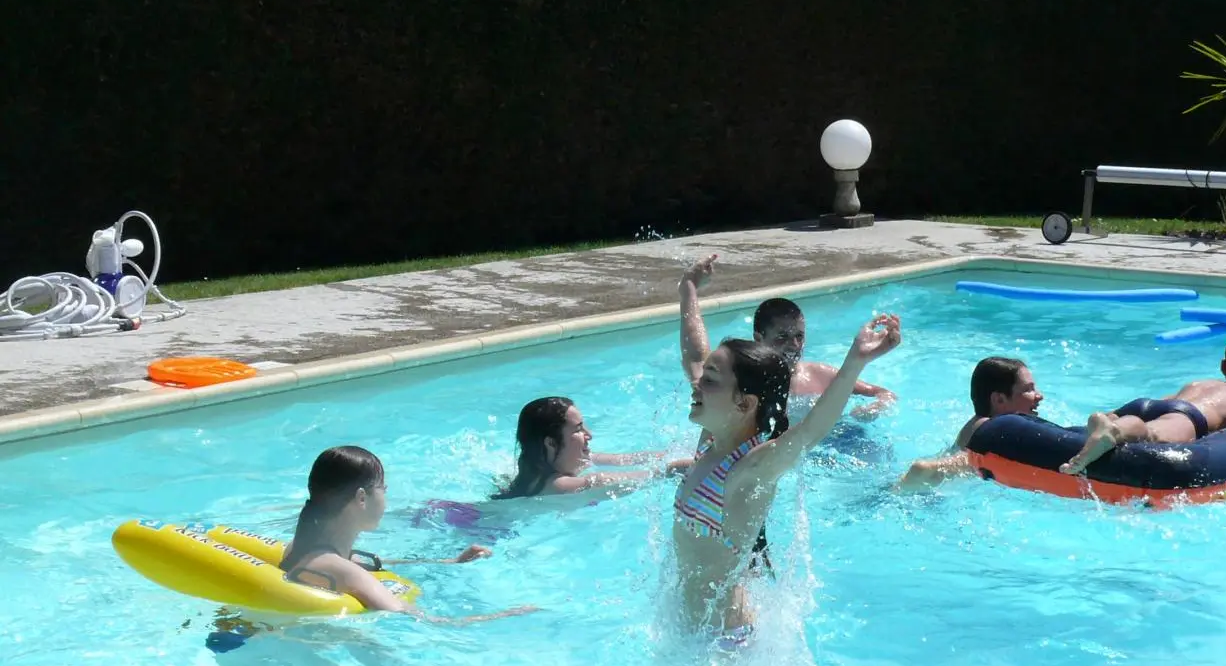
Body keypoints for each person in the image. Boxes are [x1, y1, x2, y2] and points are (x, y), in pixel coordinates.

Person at [676, 256, 903, 645]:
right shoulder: (713, 442)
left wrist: (855, 361)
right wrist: (688, 292)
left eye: (710, 381)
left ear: (744, 403)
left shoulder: (750, 465)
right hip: (694, 630)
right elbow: (695, 354)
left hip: (727, 642)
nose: (697, 386)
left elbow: (812, 429)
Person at [280, 446, 536, 623]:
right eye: (383, 489)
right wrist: (507, 614)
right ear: (361, 497)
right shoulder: (345, 571)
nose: (385, 499)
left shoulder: (302, 547)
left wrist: (448, 563)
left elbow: (370, 564)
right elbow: (423, 621)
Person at [1059, 331, 1226, 475]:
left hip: (1153, 405)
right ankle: (1114, 431)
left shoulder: (1200, 384)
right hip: (1189, 417)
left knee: (1147, 420)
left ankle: (1109, 419)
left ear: (1223, 366)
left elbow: (1164, 403)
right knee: (1151, 434)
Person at [685, 255, 898, 422]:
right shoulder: (746, 379)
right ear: (759, 339)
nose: (794, 345)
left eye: (799, 336)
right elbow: (697, 358)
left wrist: (870, 410)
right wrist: (689, 290)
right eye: (782, 337)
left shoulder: (819, 374)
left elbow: (884, 393)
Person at [490, 396, 693, 501]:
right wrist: (668, 470)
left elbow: (624, 459)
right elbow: (597, 481)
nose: (589, 435)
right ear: (551, 442)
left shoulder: (545, 463)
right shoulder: (555, 485)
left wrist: (676, 455)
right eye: (578, 429)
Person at [896, 356, 1044, 490]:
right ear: (999, 399)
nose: (1039, 396)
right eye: (1028, 390)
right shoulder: (990, 428)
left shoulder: (977, 424)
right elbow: (921, 470)